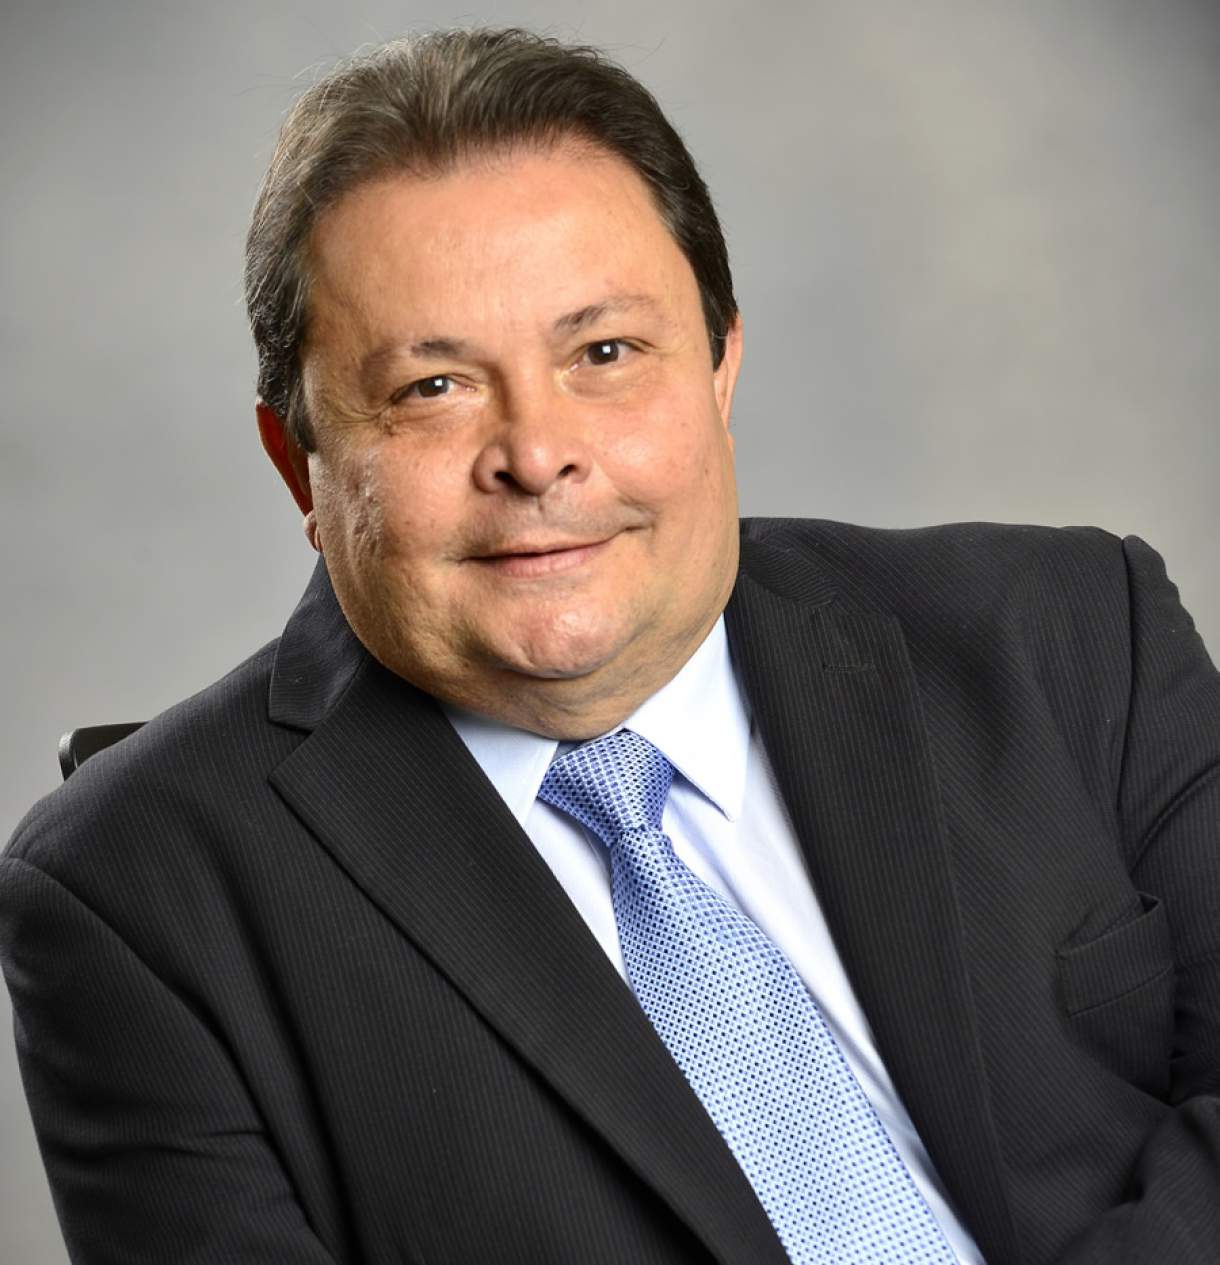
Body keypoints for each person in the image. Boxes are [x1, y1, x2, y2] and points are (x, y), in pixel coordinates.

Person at [2, 27, 1218, 1265]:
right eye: (431, 387)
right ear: (295, 461)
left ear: (719, 368)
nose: (536, 455)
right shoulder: (134, 895)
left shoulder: (1071, 631)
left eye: (603, 353)